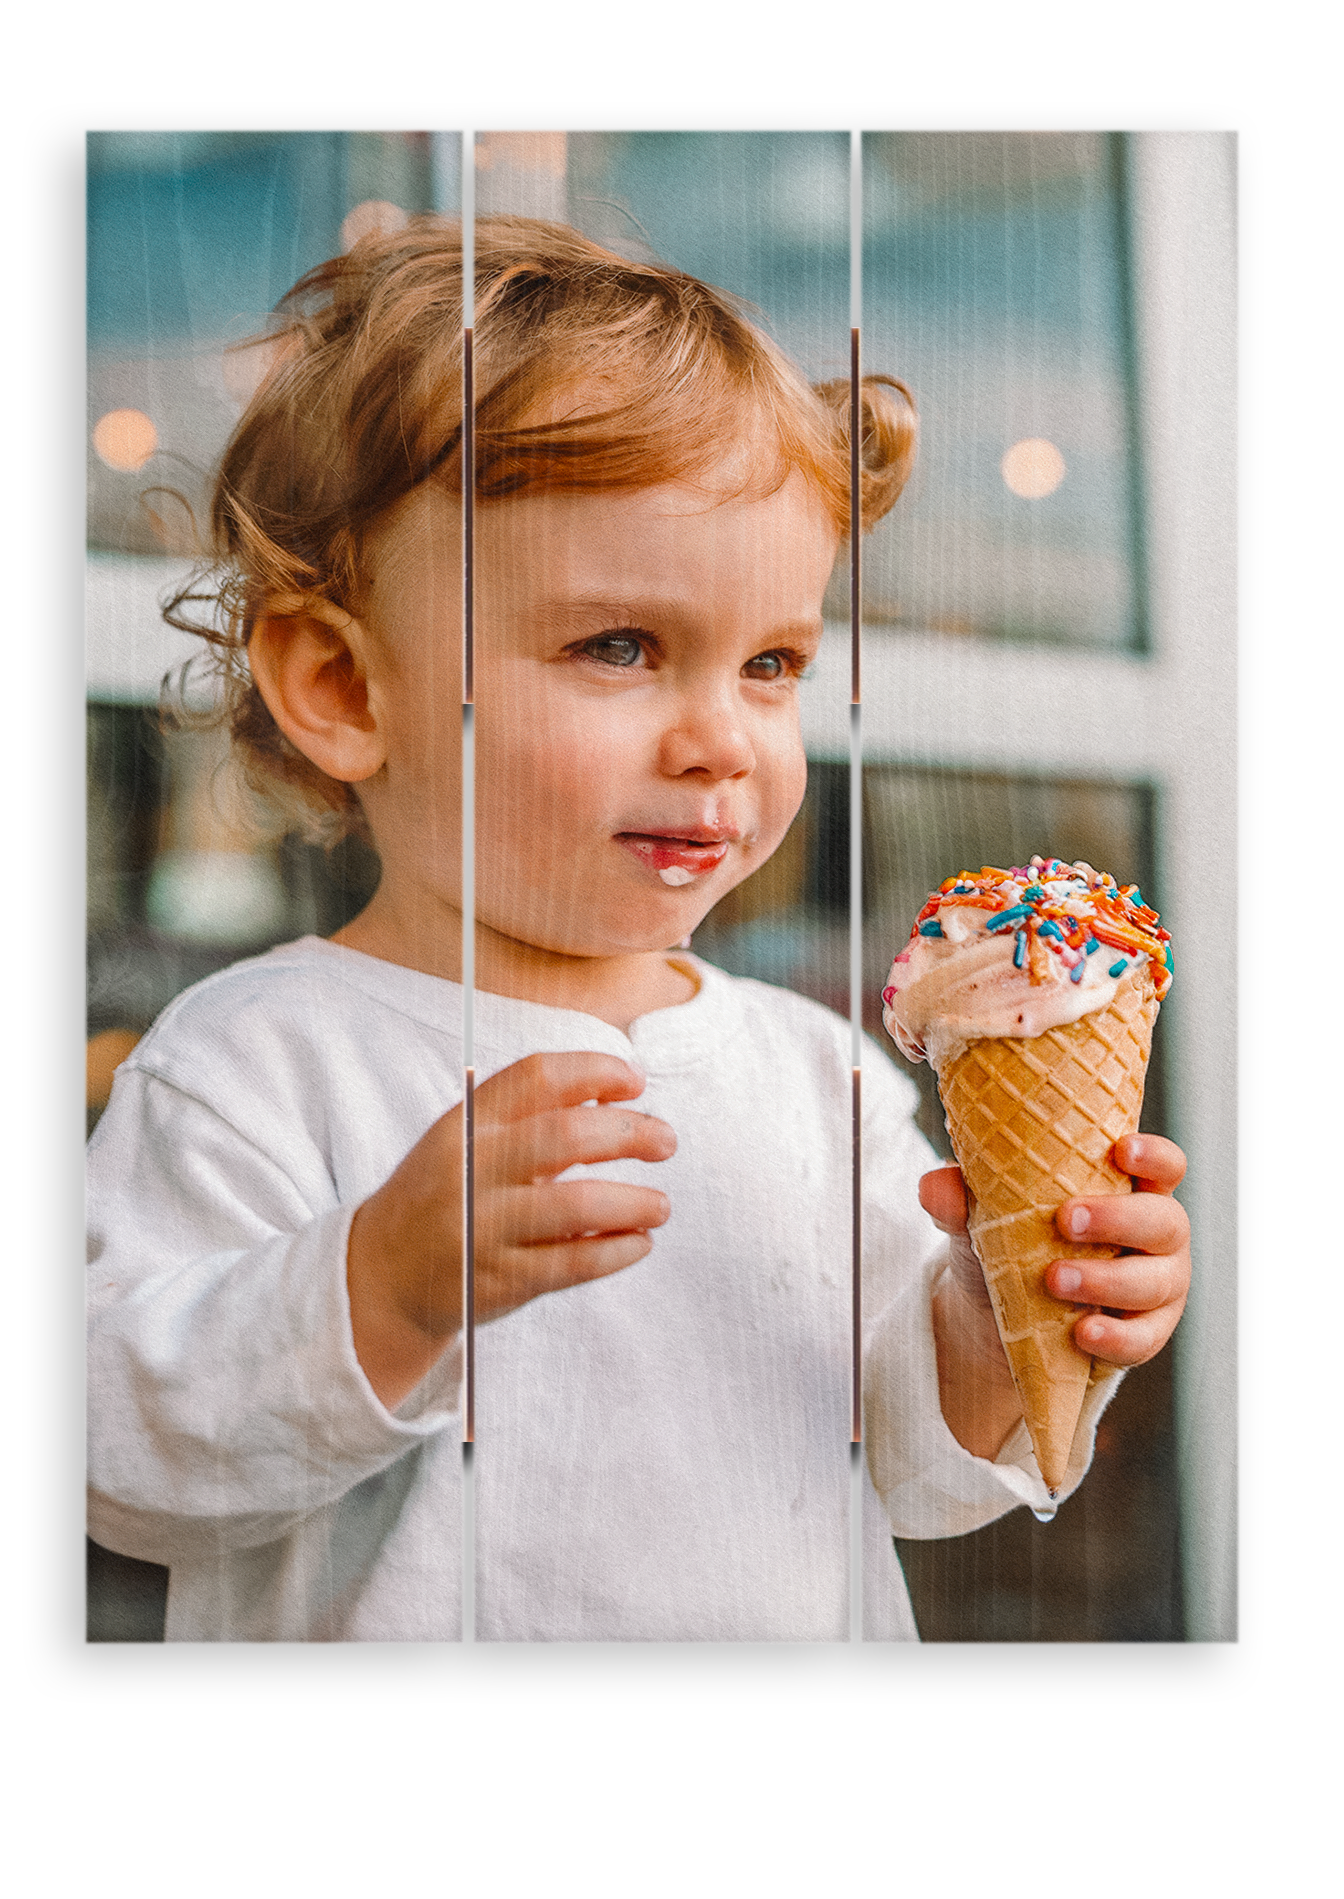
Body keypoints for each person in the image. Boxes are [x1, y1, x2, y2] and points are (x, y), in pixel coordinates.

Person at [84, 216, 1193, 1643]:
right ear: (345, 690)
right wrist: (383, 1288)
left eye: (773, 664)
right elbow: (119, 1469)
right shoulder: (253, 1063)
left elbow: (919, 1475)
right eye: (619, 646)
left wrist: (999, 1323)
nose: (721, 739)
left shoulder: (820, 1074)